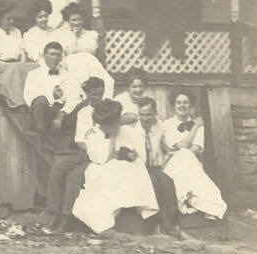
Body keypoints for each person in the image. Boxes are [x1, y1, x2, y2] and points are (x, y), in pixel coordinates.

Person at [72, 98, 158, 236]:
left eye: (119, 120)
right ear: (105, 124)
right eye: (114, 122)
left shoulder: (127, 131)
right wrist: (112, 136)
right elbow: (101, 159)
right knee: (106, 177)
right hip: (101, 167)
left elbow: (139, 153)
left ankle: (142, 214)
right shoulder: (93, 134)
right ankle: (108, 222)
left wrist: (133, 154)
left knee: (134, 169)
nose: (119, 124)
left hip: (125, 166)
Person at [43, 77, 106, 236]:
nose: (97, 98)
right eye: (93, 95)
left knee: (74, 176)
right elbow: (79, 139)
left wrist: (95, 152)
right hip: (85, 153)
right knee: (57, 169)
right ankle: (54, 213)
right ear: (87, 94)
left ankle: (66, 217)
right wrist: (88, 150)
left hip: (101, 155)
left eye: (99, 94)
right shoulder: (84, 112)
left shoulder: (107, 109)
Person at [161, 87, 227, 221]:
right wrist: (194, 128)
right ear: (174, 105)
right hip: (172, 163)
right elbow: (176, 148)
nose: (182, 105)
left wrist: (183, 153)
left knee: (186, 158)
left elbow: (197, 148)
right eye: (179, 102)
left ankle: (197, 202)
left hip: (191, 163)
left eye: (185, 102)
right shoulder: (167, 124)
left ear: (191, 105)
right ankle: (191, 200)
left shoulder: (200, 125)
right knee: (183, 155)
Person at [137, 96, 182, 238]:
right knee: (153, 184)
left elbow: (165, 144)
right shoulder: (132, 129)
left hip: (153, 167)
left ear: (155, 114)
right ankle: (156, 226)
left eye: (149, 114)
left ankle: (173, 223)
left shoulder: (159, 126)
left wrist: (172, 152)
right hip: (138, 169)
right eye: (142, 115)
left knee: (167, 181)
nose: (145, 118)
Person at [23, 41, 82, 141]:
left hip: (64, 114)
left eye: (58, 55)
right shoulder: (34, 74)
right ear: (44, 56)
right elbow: (30, 97)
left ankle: (77, 141)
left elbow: (75, 97)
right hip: (44, 114)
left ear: (61, 58)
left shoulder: (69, 75)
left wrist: (60, 115)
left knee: (84, 103)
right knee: (40, 100)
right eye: (52, 54)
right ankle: (42, 139)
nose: (55, 58)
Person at [55, 3, 114, 97]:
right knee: (78, 81)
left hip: (90, 63)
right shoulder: (63, 35)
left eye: (79, 19)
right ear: (68, 21)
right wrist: (74, 38)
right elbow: (65, 53)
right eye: (73, 20)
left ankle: (105, 102)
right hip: (71, 65)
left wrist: (75, 50)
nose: (77, 23)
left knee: (108, 81)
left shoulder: (90, 34)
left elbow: (92, 51)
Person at [0, 6, 37, 109]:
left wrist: (22, 62)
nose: (11, 21)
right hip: (0, 66)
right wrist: (12, 65)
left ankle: (32, 100)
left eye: (12, 19)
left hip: (16, 63)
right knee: (15, 69)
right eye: (8, 19)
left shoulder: (16, 31)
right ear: (0, 19)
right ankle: (18, 103)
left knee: (35, 67)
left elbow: (22, 51)